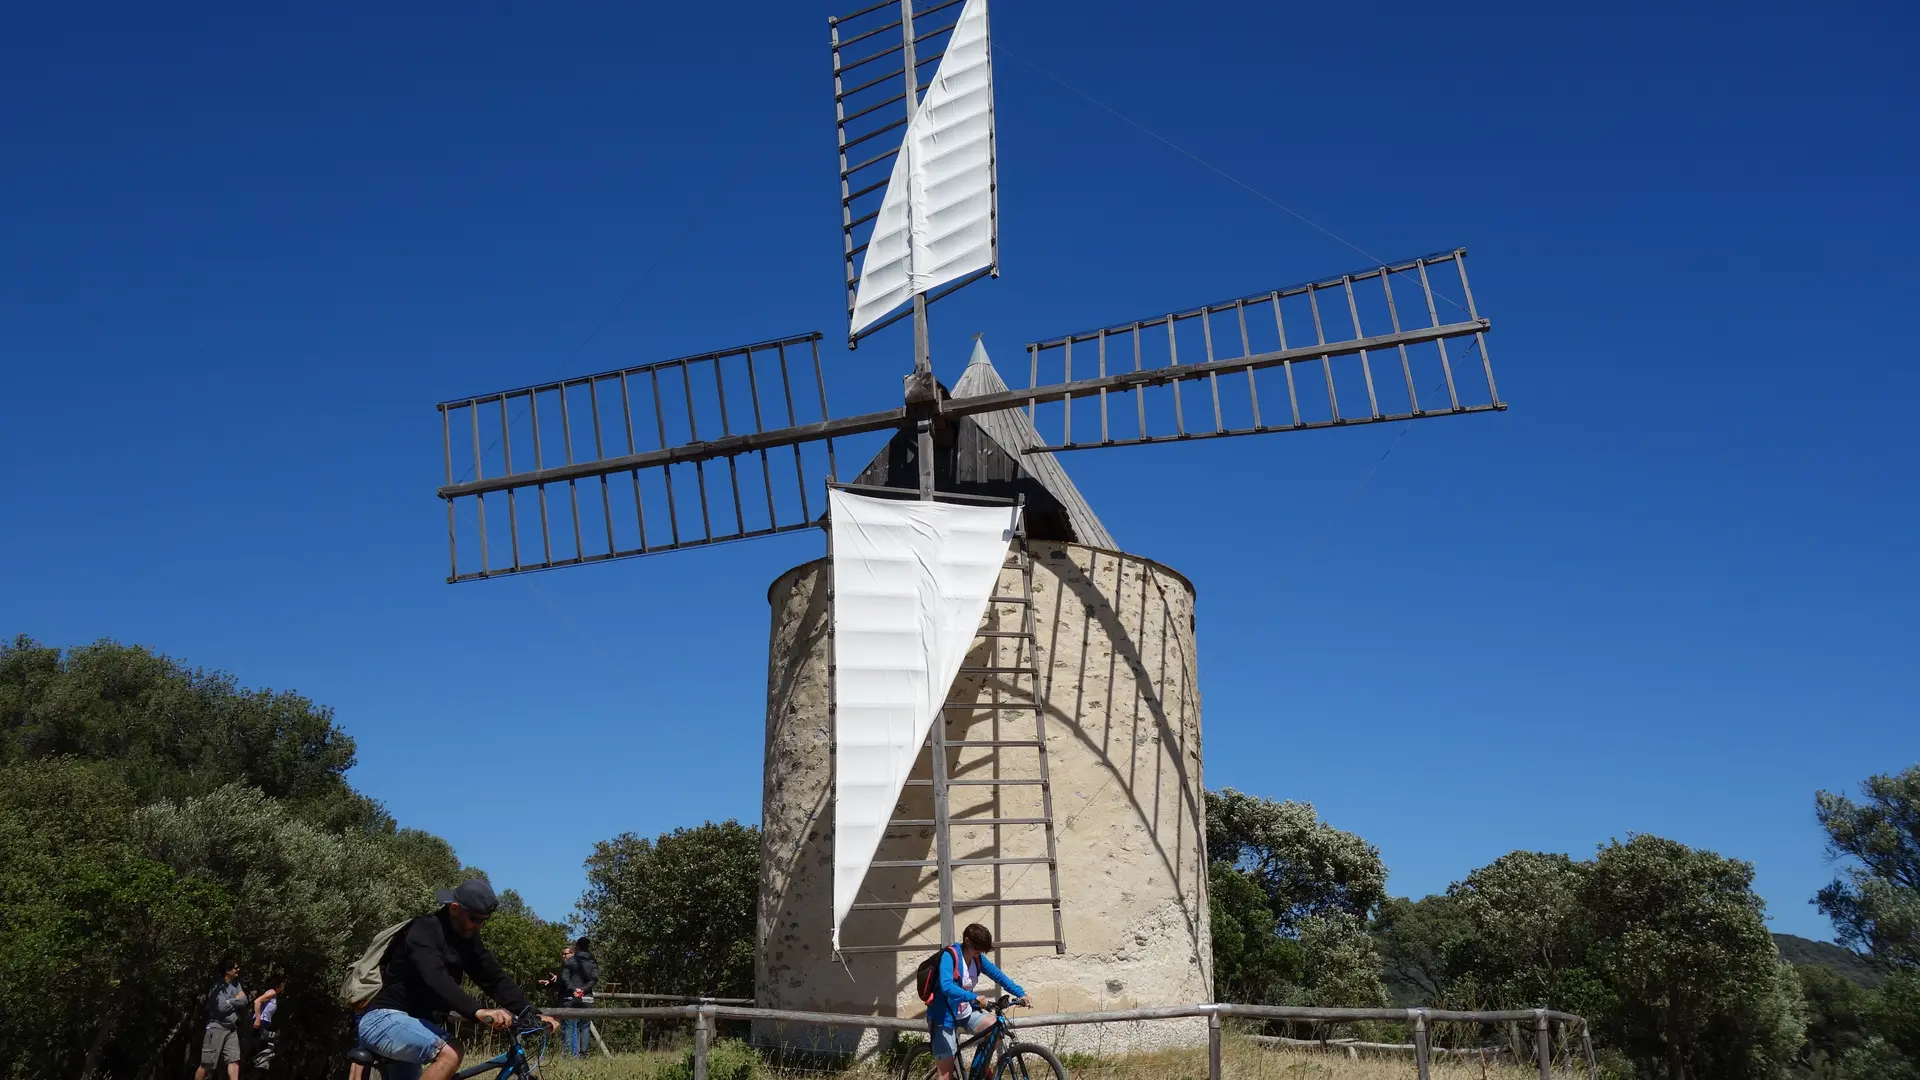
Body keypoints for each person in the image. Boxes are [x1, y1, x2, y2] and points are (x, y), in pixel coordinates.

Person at [354, 879, 560, 1080]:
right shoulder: (424, 929)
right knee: (451, 1052)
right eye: (475, 919)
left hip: (414, 1026)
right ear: (454, 908)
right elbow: (435, 977)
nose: (479, 926)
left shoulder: (467, 940)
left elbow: (495, 979)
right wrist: (478, 1010)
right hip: (383, 1019)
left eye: (483, 921)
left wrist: (531, 1012)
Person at [927, 924, 1027, 1080]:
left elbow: (999, 976)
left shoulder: (977, 958)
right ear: (967, 941)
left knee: (994, 1026)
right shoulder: (950, 956)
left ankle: (978, 1070)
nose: (980, 953)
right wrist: (972, 997)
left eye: (982, 950)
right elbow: (946, 986)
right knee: (945, 1075)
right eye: (977, 949)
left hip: (965, 1013)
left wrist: (1021, 993)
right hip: (944, 1016)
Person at [196, 958, 250, 1080]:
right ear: (227, 970)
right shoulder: (217, 988)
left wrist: (229, 1001)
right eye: (236, 968)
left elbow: (244, 1000)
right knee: (207, 1064)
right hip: (216, 1027)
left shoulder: (237, 984)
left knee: (234, 1061)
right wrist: (236, 1000)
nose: (238, 970)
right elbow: (221, 1008)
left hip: (231, 1029)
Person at [559, 937, 599, 1058]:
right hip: (587, 998)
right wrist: (584, 990)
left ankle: (568, 1055)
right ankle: (583, 1054)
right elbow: (594, 978)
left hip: (571, 998)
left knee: (569, 1026)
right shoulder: (593, 962)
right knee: (585, 1027)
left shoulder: (570, 961)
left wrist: (573, 989)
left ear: (577, 947)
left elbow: (565, 978)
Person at [250, 976, 285, 1077]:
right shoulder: (272, 992)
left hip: (265, 1022)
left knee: (265, 1049)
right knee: (263, 1049)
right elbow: (257, 1001)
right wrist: (257, 1018)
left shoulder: (273, 994)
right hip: (261, 1021)